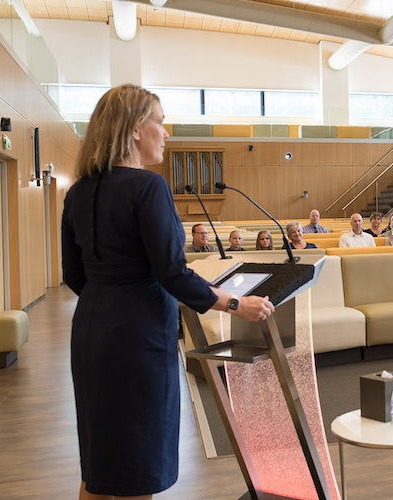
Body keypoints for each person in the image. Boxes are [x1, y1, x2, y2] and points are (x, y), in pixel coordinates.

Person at [61, 84, 273, 500]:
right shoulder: (147, 187)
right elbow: (172, 273)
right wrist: (234, 303)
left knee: (101, 462)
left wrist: (111, 296)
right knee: (139, 464)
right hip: (138, 338)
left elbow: (74, 274)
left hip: (90, 331)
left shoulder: (78, 191)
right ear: (137, 128)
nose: (166, 131)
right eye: (160, 121)